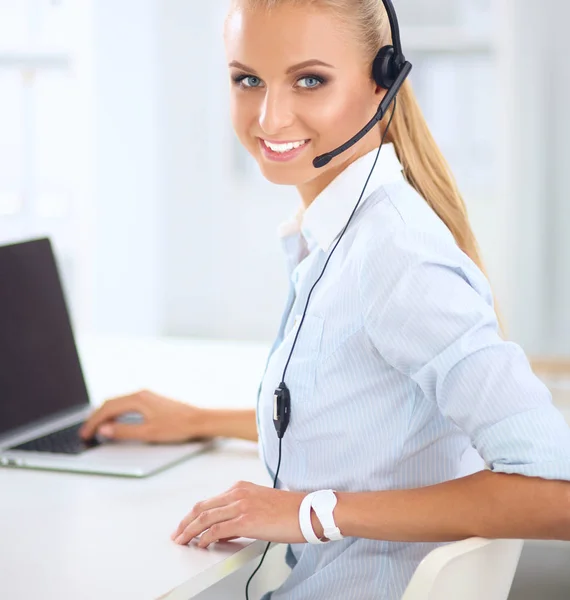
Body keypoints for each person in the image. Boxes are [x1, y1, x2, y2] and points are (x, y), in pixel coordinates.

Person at [81, 0, 570, 598]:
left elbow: (557, 494)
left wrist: (312, 513)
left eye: (309, 80)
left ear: (381, 83)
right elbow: (362, 426)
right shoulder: (340, 233)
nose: (269, 116)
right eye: (248, 80)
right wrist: (197, 421)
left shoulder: (398, 256)